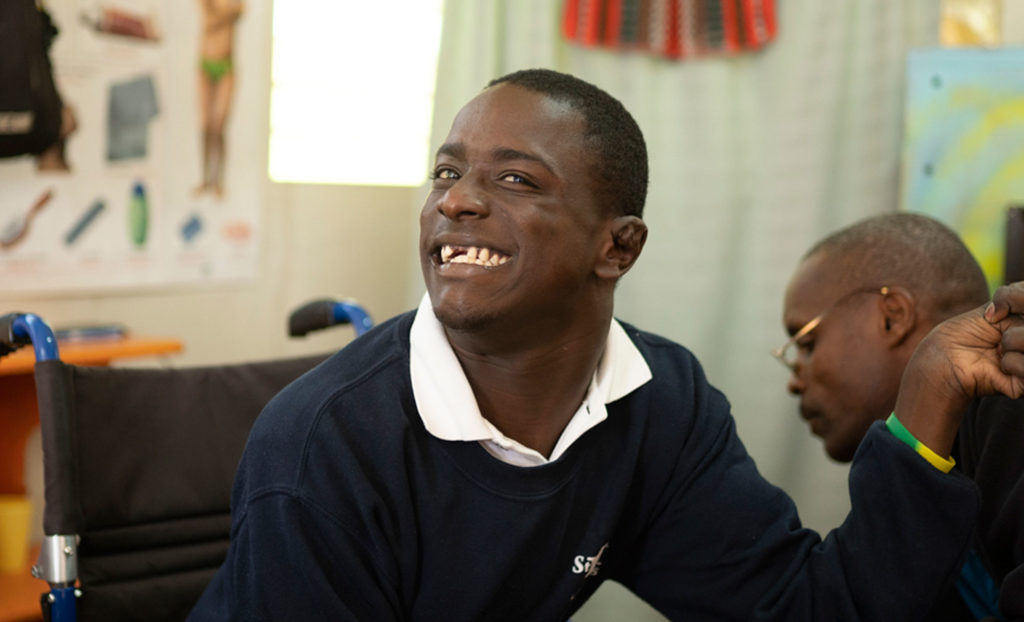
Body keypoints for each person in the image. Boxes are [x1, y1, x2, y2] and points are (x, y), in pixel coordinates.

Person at [187, 68, 1020, 621]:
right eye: (447, 173)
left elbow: (813, 611)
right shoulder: (324, 445)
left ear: (617, 247)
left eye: (514, 179)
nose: (457, 203)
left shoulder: (661, 403)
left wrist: (923, 405)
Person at [778, 213, 1022, 619]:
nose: (795, 381)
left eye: (806, 343)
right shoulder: (912, 487)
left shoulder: (1009, 402)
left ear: (893, 316)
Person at [194, 0, 243, 199]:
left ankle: (219, 181)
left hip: (226, 65)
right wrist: (226, 13)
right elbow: (209, 22)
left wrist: (218, 12)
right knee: (206, 126)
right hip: (206, 64)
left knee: (219, 126)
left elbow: (238, 12)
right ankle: (205, 180)